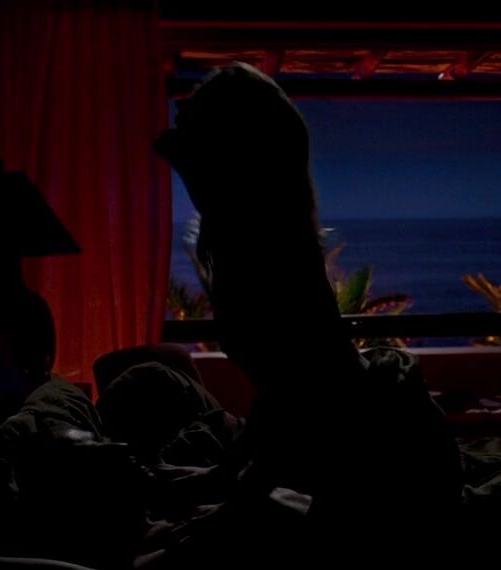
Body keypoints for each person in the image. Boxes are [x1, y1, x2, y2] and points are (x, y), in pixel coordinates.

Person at [152, 63, 463, 551]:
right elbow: (281, 394)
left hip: (393, 464)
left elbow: (298, 394)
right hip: (374, 452)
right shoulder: (253, 241)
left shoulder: (271, 256)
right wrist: (226, 477)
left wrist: (234, 495)